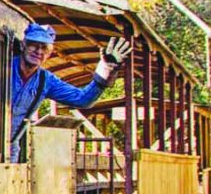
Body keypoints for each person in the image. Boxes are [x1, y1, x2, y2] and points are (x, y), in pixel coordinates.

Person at [8, 22, 130, 155]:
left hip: (10, 149)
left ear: (49, 54)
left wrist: (107, 69)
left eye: (44, 48)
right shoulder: (2, 66)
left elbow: (83, 100)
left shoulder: (46, 80)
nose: (39, 51)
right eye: (34, 45)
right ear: (23, 45)